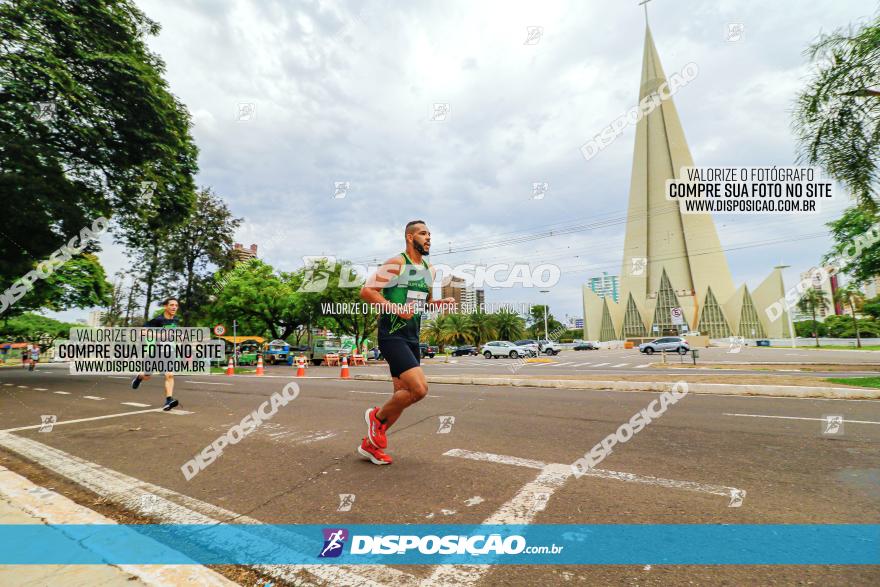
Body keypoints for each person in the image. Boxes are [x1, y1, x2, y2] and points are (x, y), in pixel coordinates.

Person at [356, 220, 455, 465]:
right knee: (419, 390)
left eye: (430, 233)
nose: (428, 237)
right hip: (392, 334)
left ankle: (370, 446)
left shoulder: (429, 270)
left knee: (401, 395)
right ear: (410, 238)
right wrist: (395, 308)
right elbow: (367, 291)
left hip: (412, 336)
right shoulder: (397, 263)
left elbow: (423, 302)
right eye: (423, 234)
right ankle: (376, 419)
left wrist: (437, 304)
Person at [131, 297, 181, 411]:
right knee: (147, 376)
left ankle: (169, 400)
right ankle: (139, 378)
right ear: (165, 306)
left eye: (176, 305)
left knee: (169, 375)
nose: (174, 307)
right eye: (172, 305)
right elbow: (142, 332)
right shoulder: (158, 320)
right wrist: (159, 336)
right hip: (156, 352)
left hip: (169, 352)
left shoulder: (176, 320)